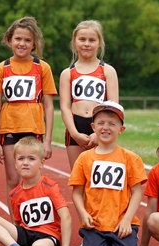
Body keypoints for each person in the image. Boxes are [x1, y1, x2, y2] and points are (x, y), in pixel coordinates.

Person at [0, 17, 57, 218]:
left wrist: (49, 141)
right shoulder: (1, 68)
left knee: (33, 177)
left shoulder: (42, 67)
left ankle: (34, 222)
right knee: (12, 178)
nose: (22, 43)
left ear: (34, 44)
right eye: (18, 38)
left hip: (34, 128)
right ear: (9, 40)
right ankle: (16, 225)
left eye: (27, 40)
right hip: (9, 128)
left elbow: (50, 106)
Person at [69, 101, 147, 246]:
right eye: (101, 123)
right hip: (96, 224)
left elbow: (137, 193)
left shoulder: (131, 159)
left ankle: (128, 242)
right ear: (93, 127)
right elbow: (76, 193)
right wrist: (83, 214)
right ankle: (94, 243)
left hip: (122, 223)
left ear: (121, 129)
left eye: (112, 124)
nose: (106, 127)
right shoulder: (84, 159)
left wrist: (127, 220)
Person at [0, 137, 76, 246]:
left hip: (47, 237)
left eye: (31, 159)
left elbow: (66, 217)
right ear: (15, 163)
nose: (25, 163)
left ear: (41, 163)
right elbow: (16, 223)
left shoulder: (50, 187)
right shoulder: (14, 194)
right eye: (21, 159)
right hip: (25, 234)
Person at [59, 20, 119, 170]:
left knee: (99, 178)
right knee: (78, 178)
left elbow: (113, 106)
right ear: (74, 42)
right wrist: (74, 133)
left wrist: (98, 133)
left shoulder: (108, 71)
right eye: (82, 39)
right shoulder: (67, 74)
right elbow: (65, 107)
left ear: (99, 43)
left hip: (101, 127)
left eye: (92, 40)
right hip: (75, 127)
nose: (86, 44)